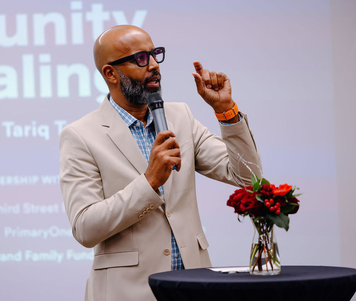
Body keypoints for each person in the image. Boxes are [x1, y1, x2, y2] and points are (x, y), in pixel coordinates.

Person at [59, 25, 261, 301]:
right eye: (141, 58)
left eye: (155, 54)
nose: (154, 65)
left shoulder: (181, 117)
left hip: (194, 286)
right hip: (127, 293)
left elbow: (247, 177)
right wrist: (149, 182)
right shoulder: (81, 135)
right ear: (110, 73)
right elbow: (85, 228)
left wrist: (226, 112)